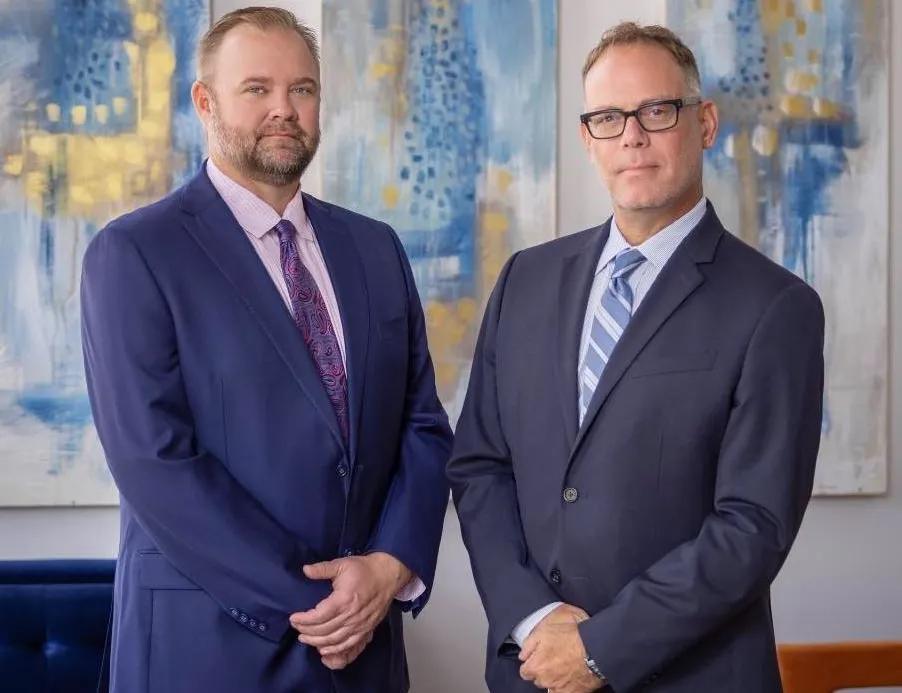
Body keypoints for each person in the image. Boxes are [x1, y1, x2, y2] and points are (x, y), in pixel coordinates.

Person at [81, 7, 451, 692]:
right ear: (205, 102)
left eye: (302, 89)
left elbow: (423, 424)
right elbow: (154, 461)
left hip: (366, 650)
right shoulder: (134, 253)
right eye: (257, 88)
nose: (284, 108)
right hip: (209, 650)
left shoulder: (376, 249)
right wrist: (323, 606)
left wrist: (390, 566)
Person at [447, 22, 824, 693]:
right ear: (588, 138)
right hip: (531, 668)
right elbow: (480, 467)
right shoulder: (525, 280)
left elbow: (752, 526)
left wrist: (598, 648)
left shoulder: (775, 307)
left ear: (704, 123)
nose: (632, 136)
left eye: (657, 110)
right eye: (609, 117)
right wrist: (532, 617)